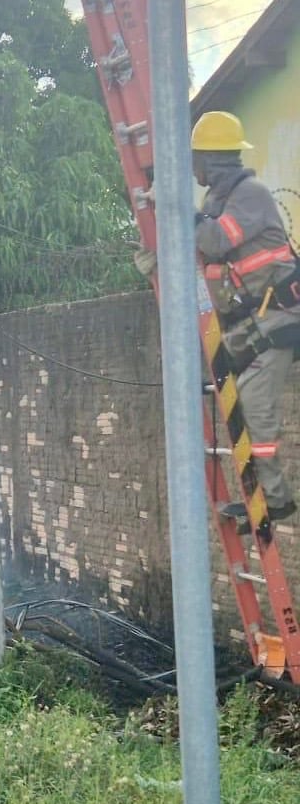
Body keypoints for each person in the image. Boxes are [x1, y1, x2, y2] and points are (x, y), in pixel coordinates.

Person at [137, 110, 300, 530]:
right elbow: (200, 257)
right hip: (249, 328)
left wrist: (175, 205)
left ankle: (275, 502)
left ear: (211, 160)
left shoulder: (251, 194)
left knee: (254, 405)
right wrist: (157, 256)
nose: (192, 167)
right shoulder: (218, 201)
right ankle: (258, 502)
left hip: (277, 323)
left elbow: (211, 239)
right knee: (236, 404)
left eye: (195, 159)